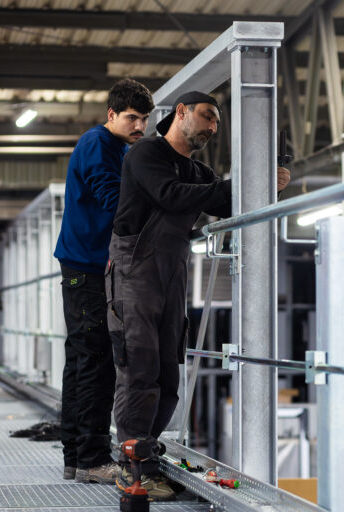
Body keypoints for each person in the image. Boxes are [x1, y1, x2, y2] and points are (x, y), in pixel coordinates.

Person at [106, 91, 290, 499]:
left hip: (172, 271)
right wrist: (231, 188)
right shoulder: (146, 154)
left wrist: (265, 187)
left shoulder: (200, 172)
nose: (212, 127)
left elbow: (226, 202)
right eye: (207, 116)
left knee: (169, 372)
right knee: (139, 366)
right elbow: (170, 195)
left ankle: (147, 457)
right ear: (181, 112)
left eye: (216, 123)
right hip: (135, 270)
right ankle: (131, 466)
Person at [53, 78, 154, 484]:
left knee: (83, 362)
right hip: (87, 269)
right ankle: (92, 459)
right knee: (95, 363)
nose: (140, 126)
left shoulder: (116, 147)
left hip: (87, 267)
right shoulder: (99, 144)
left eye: (144, 119)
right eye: (132, 118)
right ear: (111, 114)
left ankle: (77, 458)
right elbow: (115, 202)